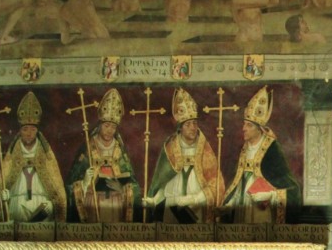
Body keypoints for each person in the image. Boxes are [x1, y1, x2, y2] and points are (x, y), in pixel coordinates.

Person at [219, 86, 301, 224]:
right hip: (243, 209)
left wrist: (269, 195)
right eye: (244, 124)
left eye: (249, 125)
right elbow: (240, 184)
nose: (243, 128)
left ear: (259, 129)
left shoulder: (272, 149)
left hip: (262, 211)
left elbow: (292, 189)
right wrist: (229, 205)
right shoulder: (245, 149)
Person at [143, 88, 225, 224]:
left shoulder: (204, 148)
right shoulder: (171, 146)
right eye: (188, 124)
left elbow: (215, 184)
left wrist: (194, 199)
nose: (193, 127)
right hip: (172, 206)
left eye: (195, 123)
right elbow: (164, 180)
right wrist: (155, 199)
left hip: (197, 207)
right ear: (180, 127)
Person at [66, 88, 141, 223]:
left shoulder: (119, 151)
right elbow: (72, 183)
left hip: (116, 203)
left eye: (113, 127)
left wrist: (122, 188)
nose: (109, 131)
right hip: (92, 202)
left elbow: (132, 184)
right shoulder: (88, 149)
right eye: (106, 126)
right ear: (100, 125)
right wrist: (84, 183)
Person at [0, 91, 67, 223]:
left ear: (37, 131)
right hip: (16, 208)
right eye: (25, 129)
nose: (29, 133)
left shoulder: (46, 156)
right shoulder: (11, 157)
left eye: (32, 129)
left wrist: (52, 204)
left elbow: (57, 190)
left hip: (42, 210)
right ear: (20, 131)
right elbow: (3, 185)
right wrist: (4, 196)